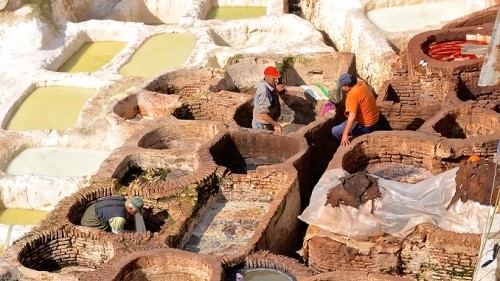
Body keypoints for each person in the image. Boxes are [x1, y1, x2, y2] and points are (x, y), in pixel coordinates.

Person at [331, 73, 379, 146]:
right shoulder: (362, 85)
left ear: (347, 86)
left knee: (335, 131)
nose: (341, 87)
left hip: (367, 126)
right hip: (375, 119)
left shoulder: (352, 95)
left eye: (342, 86)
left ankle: (342, 144)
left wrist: (345, 134)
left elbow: (352, 116)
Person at [252, 66, 286, 133]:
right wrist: (277, 125)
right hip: (262, 126)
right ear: (267, 76)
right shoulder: (264, 92)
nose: (275, 80)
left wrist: (275, 89)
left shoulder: (264, 83)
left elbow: (269, 89)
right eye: (273, 78)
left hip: (264, 123)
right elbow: (264, 115)